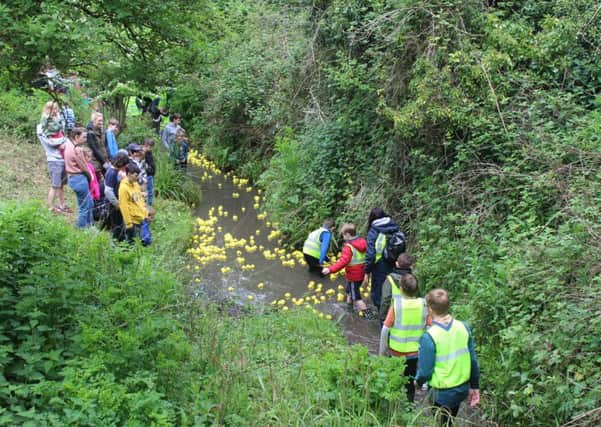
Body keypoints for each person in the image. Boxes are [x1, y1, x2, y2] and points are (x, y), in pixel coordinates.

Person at [415, 289, 481, 426]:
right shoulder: (464, 327)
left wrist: (418, 382)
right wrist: (475, 386)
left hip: (440, 393)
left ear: (430, 309)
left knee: (439, 421)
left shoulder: (429, 337)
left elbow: (425, 371)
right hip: (461, 389)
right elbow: (473, 360)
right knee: (450, 420)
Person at [379, 273, 427, 403]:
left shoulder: (397, 305)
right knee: (409, 380)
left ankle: (392, 404)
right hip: (414, 353)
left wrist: (382, 351)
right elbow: (430, 328)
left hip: (396, 352)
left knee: (393, 377)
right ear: (417, 289)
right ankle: (409, 404)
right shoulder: (423, 305)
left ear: (400, 288)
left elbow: (385, 329)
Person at [322, 223, 373, 318]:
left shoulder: (348, 247)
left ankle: (369, 315)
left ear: (348, 234)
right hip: (361, 273)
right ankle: (349, 308)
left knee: (356, 297)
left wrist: (330, 269)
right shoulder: (362, 242)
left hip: (354, 276)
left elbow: (343, 262)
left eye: (343, 235)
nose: (343, 237)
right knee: (349, 291)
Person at [363, 207, 399, 312]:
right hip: (394, 263)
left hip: (380, 266)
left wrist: (367, 271)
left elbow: (370, 255)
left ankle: (383, 321)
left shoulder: (374, 231)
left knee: (378, 294)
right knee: (393, 289)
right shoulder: (394, 226)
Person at [37, 102, 70, 214]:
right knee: (55, 185)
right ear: (47, 109)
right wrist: (61, 142)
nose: (55, 111)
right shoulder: (43, 126)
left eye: (56, 109)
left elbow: (63, 134)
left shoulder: (57, 123)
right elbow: (49, 141)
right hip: (54, 159)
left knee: (61, 185)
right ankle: (50, 207)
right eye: (53, 109)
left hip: (62, 157)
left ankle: (62, 204)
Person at [63, 127, 94, 228]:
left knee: (89, 203)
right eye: (84, 137)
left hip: (72, 178)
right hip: (79, 178)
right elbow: (84, 167)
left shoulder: (68, 145)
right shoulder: (77, 150)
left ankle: (90, 225)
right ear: (76, 136)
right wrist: (90, 177)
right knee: (84, 207)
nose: (85, 139)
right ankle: (82, 229)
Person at [118, 163, 150, 243]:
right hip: (133, 221)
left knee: (145, 243)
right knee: (132, 244)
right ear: (129, 174)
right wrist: (129, 224)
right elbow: (123, 207)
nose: (137, 178)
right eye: (135, 176)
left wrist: (145, 211)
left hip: (142, 218)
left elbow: (139, 199)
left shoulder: (135, 184)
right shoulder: (123, 188)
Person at [379, 252, 415, 322]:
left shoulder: (390, 279)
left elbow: (385, 299)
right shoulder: (414, 280)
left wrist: (382, 316)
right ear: (411, 266)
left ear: (396, 263)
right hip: (408, 313)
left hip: (393, 314)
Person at [104, 152, 130, 241]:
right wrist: (116, 203)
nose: (125, 167)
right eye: (125, 165)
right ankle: (117, 243)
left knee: (120, 222)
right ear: (121, 163)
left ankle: (121, 240)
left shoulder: (116, 171)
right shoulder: (112, 173)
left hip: (118, 201)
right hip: (113, 204)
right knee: (117, 224)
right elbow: (108, 191)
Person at [86, 112, 110, 179]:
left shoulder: (102, 131)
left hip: (104, 160)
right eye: (99, 120)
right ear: (94, 120)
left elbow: (105, 146)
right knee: (99, 182)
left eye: (102, 120)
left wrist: (108, 159)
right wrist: (104, 162)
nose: (101, 122)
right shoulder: (90, 133)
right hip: (95, 162)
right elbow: (94, 149)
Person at [143, 137, 156, 206]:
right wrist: (149, 170)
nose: (150, 148)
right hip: (148, 174)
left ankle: (149, 203)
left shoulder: (149, 152)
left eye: (151, 147)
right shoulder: (143, 153)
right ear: (145, 145)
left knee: (151, 189)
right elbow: (143, 163)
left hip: (151, 173)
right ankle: (149, 204)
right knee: (149, 190)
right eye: (149, 147)